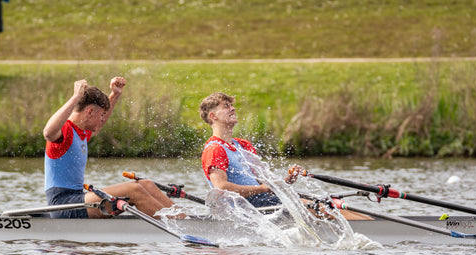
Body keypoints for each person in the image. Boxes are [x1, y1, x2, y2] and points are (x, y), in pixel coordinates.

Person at [43, 78, 177, 218]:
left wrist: (115, 94)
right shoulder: (66, 131)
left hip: (77, 198)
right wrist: (76, 97)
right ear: (89, 112)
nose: (103, 119)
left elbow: (97, 126)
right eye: (101, 114)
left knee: (146, 184)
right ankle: (178, 226)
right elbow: (48, 132)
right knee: (134, 189)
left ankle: (185, 220)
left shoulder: (81, 132)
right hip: (62, 204)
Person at [199, 92, 302, 207]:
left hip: (263, 200)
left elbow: (266, 183)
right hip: (245, 209)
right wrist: (262, 189)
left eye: (232, 105)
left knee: (320, 203)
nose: (233, 108)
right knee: (316, 207)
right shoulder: (214, 149)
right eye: (226, 106)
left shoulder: (243, 145)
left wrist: (287, 180)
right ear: (213, 116)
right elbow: (221, 187)